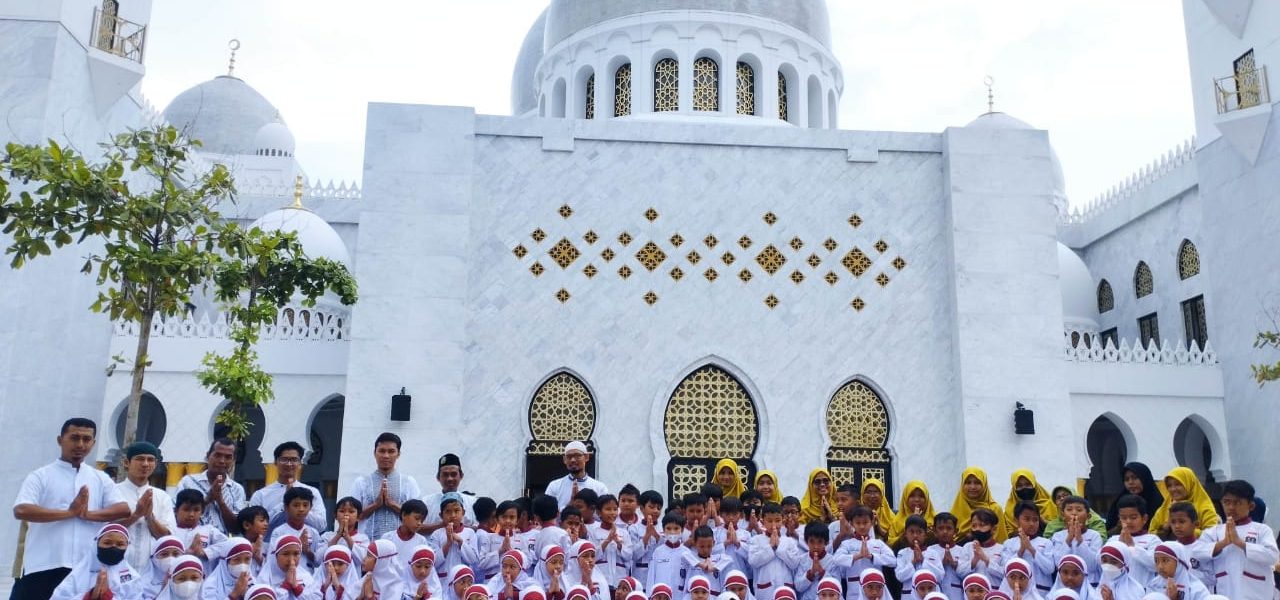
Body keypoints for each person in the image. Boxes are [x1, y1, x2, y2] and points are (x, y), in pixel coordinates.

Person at [12, 418, 130, 600]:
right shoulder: (41, 476)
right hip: (43, 565)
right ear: (60, 440)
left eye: (86, 439)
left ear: (93, 443)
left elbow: (122, 509)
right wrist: (69, 513)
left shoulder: (100, 478)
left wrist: (87, 514)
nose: (80, 444)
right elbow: (21, 510)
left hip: (83, 568)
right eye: (74, 438)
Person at [1196, 480, 1279, 600]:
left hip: (1256, 593)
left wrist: (1240, 543)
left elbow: (1272, 556)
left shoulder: (1262, 530)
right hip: (1224, 592)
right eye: (1226, 502)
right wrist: (1223, 543)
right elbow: (1197, 553)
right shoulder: (1213, 532)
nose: (1231, 507)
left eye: (1237, 502)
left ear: (1251, 506)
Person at [114, 441, 176, 571]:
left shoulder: (162, 497)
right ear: (126, 462)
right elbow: (105, 531)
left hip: (150, 572)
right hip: (116, 567)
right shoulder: (113, 492)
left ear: (155, 464)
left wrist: (149, 517)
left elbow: (167, 537)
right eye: (140, 459)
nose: (145, 464)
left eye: (150, 460)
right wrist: (136, 515)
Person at [350, 432, 421, 541]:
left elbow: (418, 516)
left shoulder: (409, 482)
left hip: (401, 545)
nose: (386, 456)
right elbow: (352, 517)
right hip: (367, 545)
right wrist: (375, 504)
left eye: (391, 451)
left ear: (398, 454)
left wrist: (392, 504)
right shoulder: (361, 482)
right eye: (382, 451)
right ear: (374, 453)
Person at [49, 523, 143, 600]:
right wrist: (88, 596)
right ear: (96, 544)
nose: (113, 547)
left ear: (127, 547)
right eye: (107, 543)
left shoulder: (133, 578)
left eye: (120, 544)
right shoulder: (78, 575)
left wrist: (108, 597)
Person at [251, 442, 327, 535]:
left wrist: (300, 509)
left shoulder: (312, 492)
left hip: (303, 546)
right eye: (284, 459)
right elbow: (254, 527)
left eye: (294, 460)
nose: (289, 464)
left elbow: (322, 525)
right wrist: (284, 504)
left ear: (300, 463)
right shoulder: (261, 495)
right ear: (275, 462)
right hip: (270, 546)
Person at [176, 438, 246, 536]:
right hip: (189, 540)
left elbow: (236, 529)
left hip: (221, 545)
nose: (222, 461)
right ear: (208, 456)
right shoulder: (188, 482)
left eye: (228, 457)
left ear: (233, 460)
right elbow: (177, 516)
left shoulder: (237, 489)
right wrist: (208, 499)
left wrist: (220, 501)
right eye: (217, 455)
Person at [833, 506, 893, 600]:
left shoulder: (878, 543)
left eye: (865, 522)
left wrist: (872, 556)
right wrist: (857, 556)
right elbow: (836, 559)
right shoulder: (847, 544)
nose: (861, 526)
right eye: (858, 523)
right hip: (854, 590)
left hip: (874, 591)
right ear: (851, 523)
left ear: (872, 522)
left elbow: (892, 560)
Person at [1000, 502, 1053, 595]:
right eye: (1027, 519)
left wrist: (1031, 549)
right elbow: (1005, 569)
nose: (1032, 524)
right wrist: (1021, 550)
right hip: (1016, 591)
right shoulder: (1009, 543)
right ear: (1017, 520)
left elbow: (1049, 569)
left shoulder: (1046, 542)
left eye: (1035, 520)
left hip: (1041, 592)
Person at [1150, 468, 1219, 538]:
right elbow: (1151, 535)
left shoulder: (1204, 508)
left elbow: (1212, 535)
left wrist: (1188, 531)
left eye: (1178, 484)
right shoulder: (1164, 508)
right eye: (1169, 486)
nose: (1173, 489)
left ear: (1189, 483)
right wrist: (1166, 527)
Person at [1045, 497, 1102, 581]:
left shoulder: (1095, 535)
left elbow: (1092, 566)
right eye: (1069, 510)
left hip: (1090, 583)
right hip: (1065, 584)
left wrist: (1080, 540)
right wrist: (1069, 539)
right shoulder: (1057, 536)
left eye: (1079, 510)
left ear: (1088, 516)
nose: (1074, 513)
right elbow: (1058, 564)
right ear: (1063, 515)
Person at [1107, 495, 1159, 585]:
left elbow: (1155, 565)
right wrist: (1118, 545)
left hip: (1143, 590)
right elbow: (1101, 563)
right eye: (1123, 518)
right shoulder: (1113, 540)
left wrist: (1132, 547)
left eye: (1133, 517)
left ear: (1144, 519)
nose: (1128, 521)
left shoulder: (1153, 540)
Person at [1163, 503, 1214, 591]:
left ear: (1196, 524)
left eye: (1182, 521)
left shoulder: (1205, 548)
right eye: (1173, 522)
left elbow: (1212, 579)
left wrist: (1186, 574)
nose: (1177, 526)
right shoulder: (1168, 550)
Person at [545, 442, 609, 511]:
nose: (573, 460)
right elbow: (547, 514)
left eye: (577, 456)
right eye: (569, 457)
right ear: (564, 460)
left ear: (586, 457)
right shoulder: (554, 486)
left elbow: (604, 513)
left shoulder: (600, 488)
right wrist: (570, 504)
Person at [948, 468, 1004, 542]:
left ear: (984, 485)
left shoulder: (994, 509)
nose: (972, 487)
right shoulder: (956, 508)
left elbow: (1000, 540)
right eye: (968, 483)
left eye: (977, 483)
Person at [1105, 464, 1162, 535]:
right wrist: (1118, 528)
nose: (1130, 482)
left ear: (1145, 478)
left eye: (1135, 478)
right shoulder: (1119, 502)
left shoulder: (1158, 503)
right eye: (1126, 479)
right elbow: (1106, 533)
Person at [426, 454, 478, 531]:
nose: (449, 478)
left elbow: (480, 528)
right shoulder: (427, 502)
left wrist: (458, 526)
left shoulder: (473, 502)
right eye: (445, 474)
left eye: (453, 474)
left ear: (461, 476)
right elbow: (416, 528)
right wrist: (442, 525)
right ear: (438, 477)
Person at [956, 509, 1005, 588]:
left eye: (982, 525)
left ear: (994, 529)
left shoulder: (1002, 549)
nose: (977, 529)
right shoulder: (968, 547)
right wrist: (974, 560)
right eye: (974, 526)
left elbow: (1005, 574)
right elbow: (959, 573)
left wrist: (986, 560)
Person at [1002, 471, 1058, 539]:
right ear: (1014, 489)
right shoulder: (1009, 511)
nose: (1024, 488)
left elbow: (1059, 528)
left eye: (1028, 484)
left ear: (1035, 485)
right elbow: (1007, 535)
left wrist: (1043, 522)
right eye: (1019, 486)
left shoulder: (1050, 505)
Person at [1145, 542, 1210, 600]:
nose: (1160, 566)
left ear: (1179, 563)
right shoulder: (1153, 585)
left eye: (1165, 561)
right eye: (1156, 561)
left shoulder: (1196, 589)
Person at [923, 513, 963, 600]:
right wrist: (941, 564)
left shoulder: (962, 551)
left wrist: (954, 564)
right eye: (941, 528)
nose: (945, 531)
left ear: (956, 531)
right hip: (935, 593)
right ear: (934, 531)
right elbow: (927, 573)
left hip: (957, 594)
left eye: (949, 528)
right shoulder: (929, 551)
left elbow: (967, 575)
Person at [380, 499, 429, 569]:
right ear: (404, 515)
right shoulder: (387, 538)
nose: (419, 523)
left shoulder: (421, 541)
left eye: (422, 521)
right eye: (417, 518)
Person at [889, 481, 936, 549]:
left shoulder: (936, 520)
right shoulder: (897, 521)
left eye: (921, 496)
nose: (917, 499)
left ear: (927, 498)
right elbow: (889, 542)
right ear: (905, 498)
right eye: (912, 496)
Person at [325, 497, 371, 563]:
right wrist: (338, 536)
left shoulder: (363, 538)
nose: (346, 514)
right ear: (335, 515)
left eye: (351, 511)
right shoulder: (327, 536)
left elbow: (364, 560)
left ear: (358, 517)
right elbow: (318, 559)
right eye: (342, 511)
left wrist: (347, 537)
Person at [893, 516, 930, 597]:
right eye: (911, 532)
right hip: (908, 595)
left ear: (926, 534)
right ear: (905, 534)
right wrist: (913, 562)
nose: (915, 535)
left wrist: (923, 560)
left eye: (919, 532)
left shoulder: (932, 552)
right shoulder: (902, 553)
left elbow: (939, 575)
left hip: (928, 594)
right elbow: (899, 576)